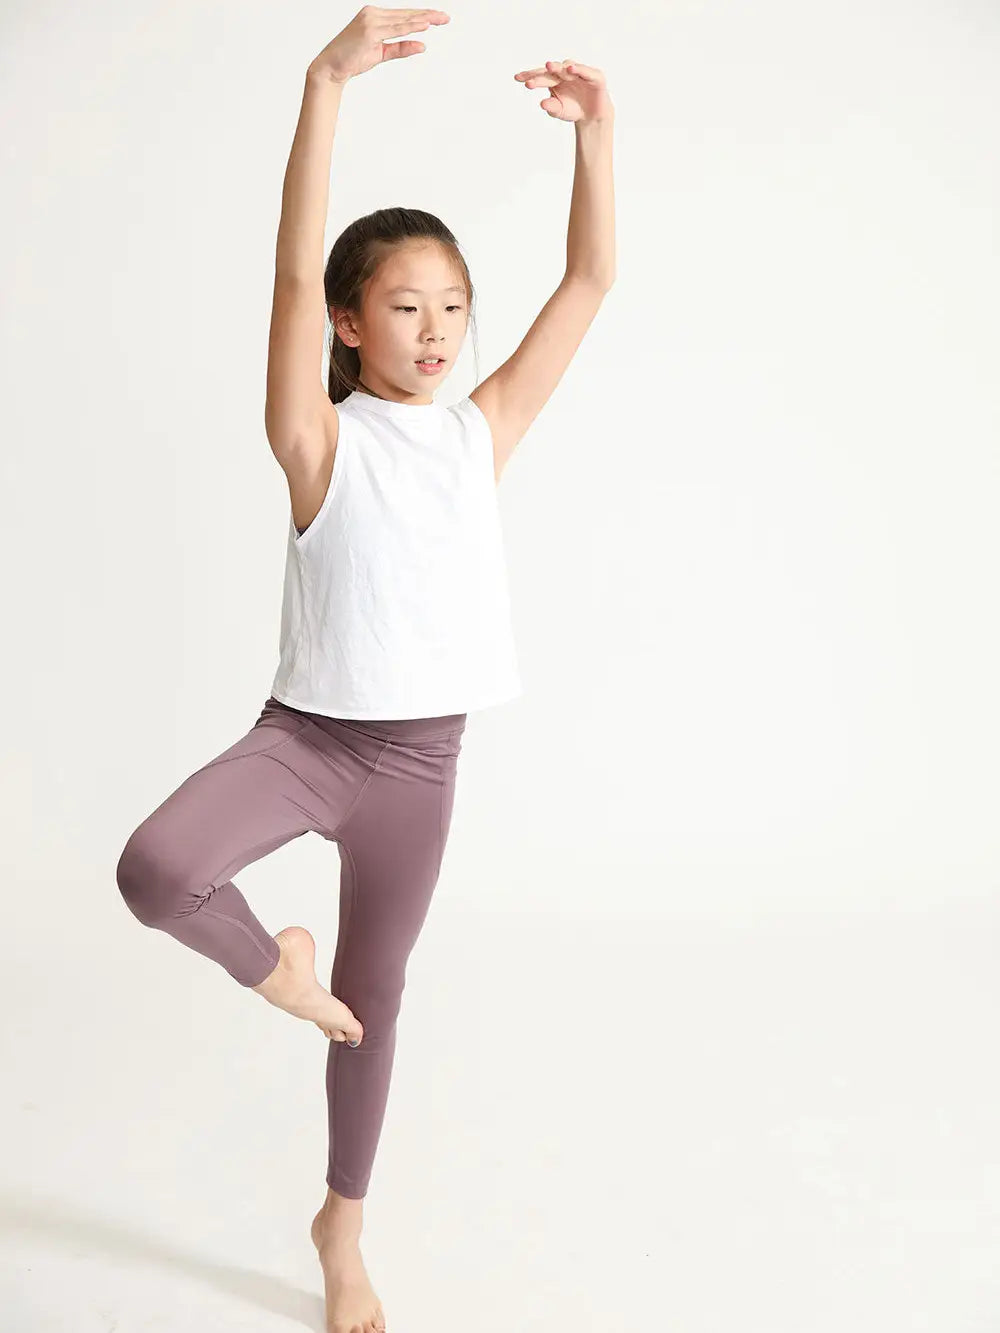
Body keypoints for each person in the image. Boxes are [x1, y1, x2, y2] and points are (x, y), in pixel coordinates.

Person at [115, 8, 615, 1332]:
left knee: (375, 999)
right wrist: (322, 82)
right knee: (159, 868)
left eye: (453, 304)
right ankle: (270, 966)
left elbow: (587, 288)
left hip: (420, 763)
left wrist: (597, 141)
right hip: (308, 742)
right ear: (349, 323)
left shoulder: (476, 434)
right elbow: (284, 277)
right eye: (404, 305)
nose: (438, 327)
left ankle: (343, 1222)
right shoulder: (316, 443)